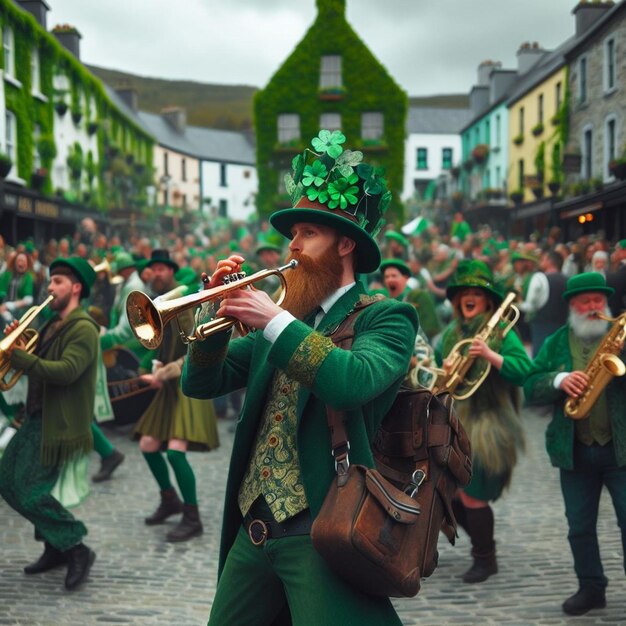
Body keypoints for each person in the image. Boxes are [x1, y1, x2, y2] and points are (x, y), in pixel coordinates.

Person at [182, 129, 418, 625]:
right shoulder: (292, 317)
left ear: (345, 243)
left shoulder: (387, 316)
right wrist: (211, 320)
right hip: (255, 529)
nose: (291, 247)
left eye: (307, 234)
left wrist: (274, 320)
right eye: (292, 235)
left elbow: (350, 381)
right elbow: (202, 384)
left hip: (322, 529)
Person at [523, 272, 626, 617]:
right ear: (572, 305)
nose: (594, 307)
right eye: (586, 301)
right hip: (575, 451)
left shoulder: (620, 336)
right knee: (579, 526)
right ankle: (591, 587)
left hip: (620, 449)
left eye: (599, 300)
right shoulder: (554, 342)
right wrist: (559, 379)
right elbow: (530, 386)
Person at [0, 257, 99, 590]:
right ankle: (54, 546)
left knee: (30, 491)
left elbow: (66, 371)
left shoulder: (83, 328)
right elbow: (38, 358)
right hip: (38, 415)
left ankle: (75, 546)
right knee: (7, 478)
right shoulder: (53, 322)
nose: (49, 287)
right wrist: (17, 341)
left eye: (57, 282)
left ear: (76, 288)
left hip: (61, 422)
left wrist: (21, 357)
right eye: (50, 281)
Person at [435, 260, 531, 584]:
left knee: (473, 493)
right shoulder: (450, 333)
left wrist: (490, 354)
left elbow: (524, 371)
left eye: (477, 293)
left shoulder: (503, 332)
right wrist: (445, 366)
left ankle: (485, 558)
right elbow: (436, 376)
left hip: (490, 424)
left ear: (489, 301)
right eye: (465, 293)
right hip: (455, 420)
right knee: (448, 494)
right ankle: (481, 543)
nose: (470, 298)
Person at [133, 249, 218, 543]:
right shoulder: (157, 303)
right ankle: (170, 500)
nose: (156, 273)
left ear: (171, 272)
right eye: (152, 269)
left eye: (161, 269)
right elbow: (158, 342)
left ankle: (192, 516)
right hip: (170, 384)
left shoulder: (182, 301)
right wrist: (154, 368)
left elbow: (200, 343)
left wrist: (173, 368)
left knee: (174, 451)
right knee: (147, 445)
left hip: (188, 384)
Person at [518, 249, 568, 357]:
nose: (541, 261)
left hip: (542, 329)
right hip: (562, 329)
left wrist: (517, 303)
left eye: (543, 259)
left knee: (541, 362)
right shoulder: (568, 280)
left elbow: (530, 307)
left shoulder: (539, 278)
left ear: (549, 261)